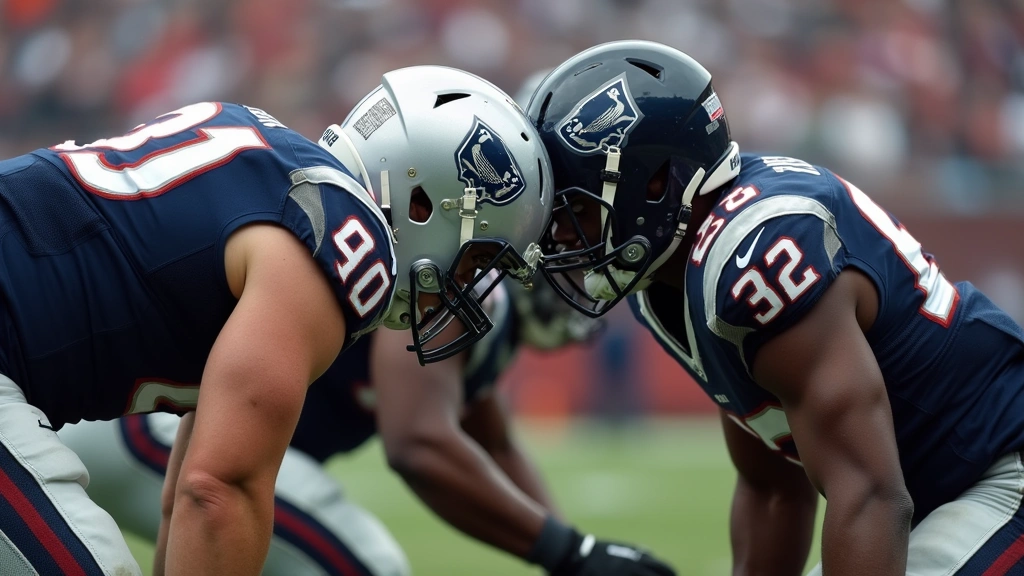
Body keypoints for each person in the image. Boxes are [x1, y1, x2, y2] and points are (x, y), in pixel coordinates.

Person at [0, 64, 551, 576]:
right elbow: (219, 492)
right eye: (477, 258)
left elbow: (187, 497)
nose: (467, 284)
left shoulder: (277, 170)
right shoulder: (338, 237)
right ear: (424, 201)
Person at [526, 39, 1024, 575]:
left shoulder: (754, 252)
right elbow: (772, 490)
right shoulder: (670, 277)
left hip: (999, 470)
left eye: (576, 205)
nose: (559, 233)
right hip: (935, 496)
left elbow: (870, 495)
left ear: (654, 183)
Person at [60, 276, 675, 576]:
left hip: (164, 435)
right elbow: (418, 443)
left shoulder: (487, 317)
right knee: (369, 568)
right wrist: (573, 554)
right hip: (162, 428)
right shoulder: (460, 286)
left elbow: (493, 443)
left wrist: (573, 556)